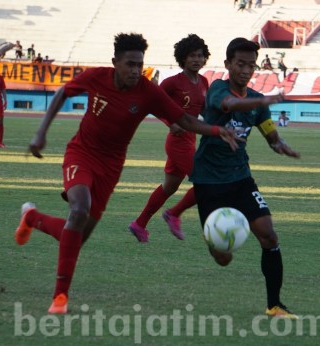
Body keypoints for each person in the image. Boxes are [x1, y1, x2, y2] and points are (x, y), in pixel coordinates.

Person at [13, 32, 242, 314]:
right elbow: (63, 93)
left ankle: (32, 217)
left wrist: (217, 130)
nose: (136, 70)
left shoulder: (147, 91)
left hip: (111, 166)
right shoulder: (97, 77)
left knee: (77, 235)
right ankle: (60, 296)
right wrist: (40, 133)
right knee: (79, 209)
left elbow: (182, 119)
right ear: (115, 63)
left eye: (140, 64)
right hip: (81, 153)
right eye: (130, 64)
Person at [189, 37, 300, 318]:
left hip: (240, 179)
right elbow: (227, 104)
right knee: (223, 258)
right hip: (209, 181)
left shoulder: (257, 103)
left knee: (269, 236)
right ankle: (212, 235)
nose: (246, 70)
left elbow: (269, 133)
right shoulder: (217, 89)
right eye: (240, 64)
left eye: (251, 65)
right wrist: (262, 99)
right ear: (227, 64)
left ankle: (274, 305)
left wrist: (280, 145)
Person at [128, 34, 211, 243]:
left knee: (170, 186)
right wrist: (169, 122)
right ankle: (173, 213)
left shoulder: (203, 81)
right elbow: (151, 102)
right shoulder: (172, 83)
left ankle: (139, 224)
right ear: (182, 58)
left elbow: (205, 110)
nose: (196, 59)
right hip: (177, 142)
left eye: (200, 56)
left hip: (191, 138)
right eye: (192, 55)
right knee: (206, 182)